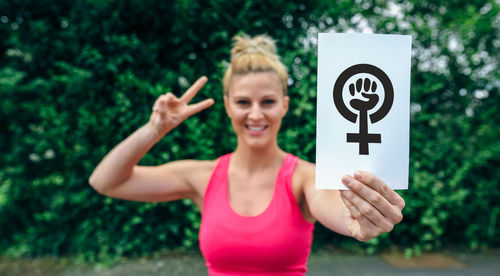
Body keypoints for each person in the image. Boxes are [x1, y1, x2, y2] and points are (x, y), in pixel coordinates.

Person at [89, 34, 405, 275]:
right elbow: (106, 182)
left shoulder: (305, 178)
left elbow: (340, 212)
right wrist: (153, 130)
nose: (255, 114)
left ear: (285, 104)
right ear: (227, 105)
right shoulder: (202, 176)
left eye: (267, 102)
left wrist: (358, 219)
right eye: (243, 102)